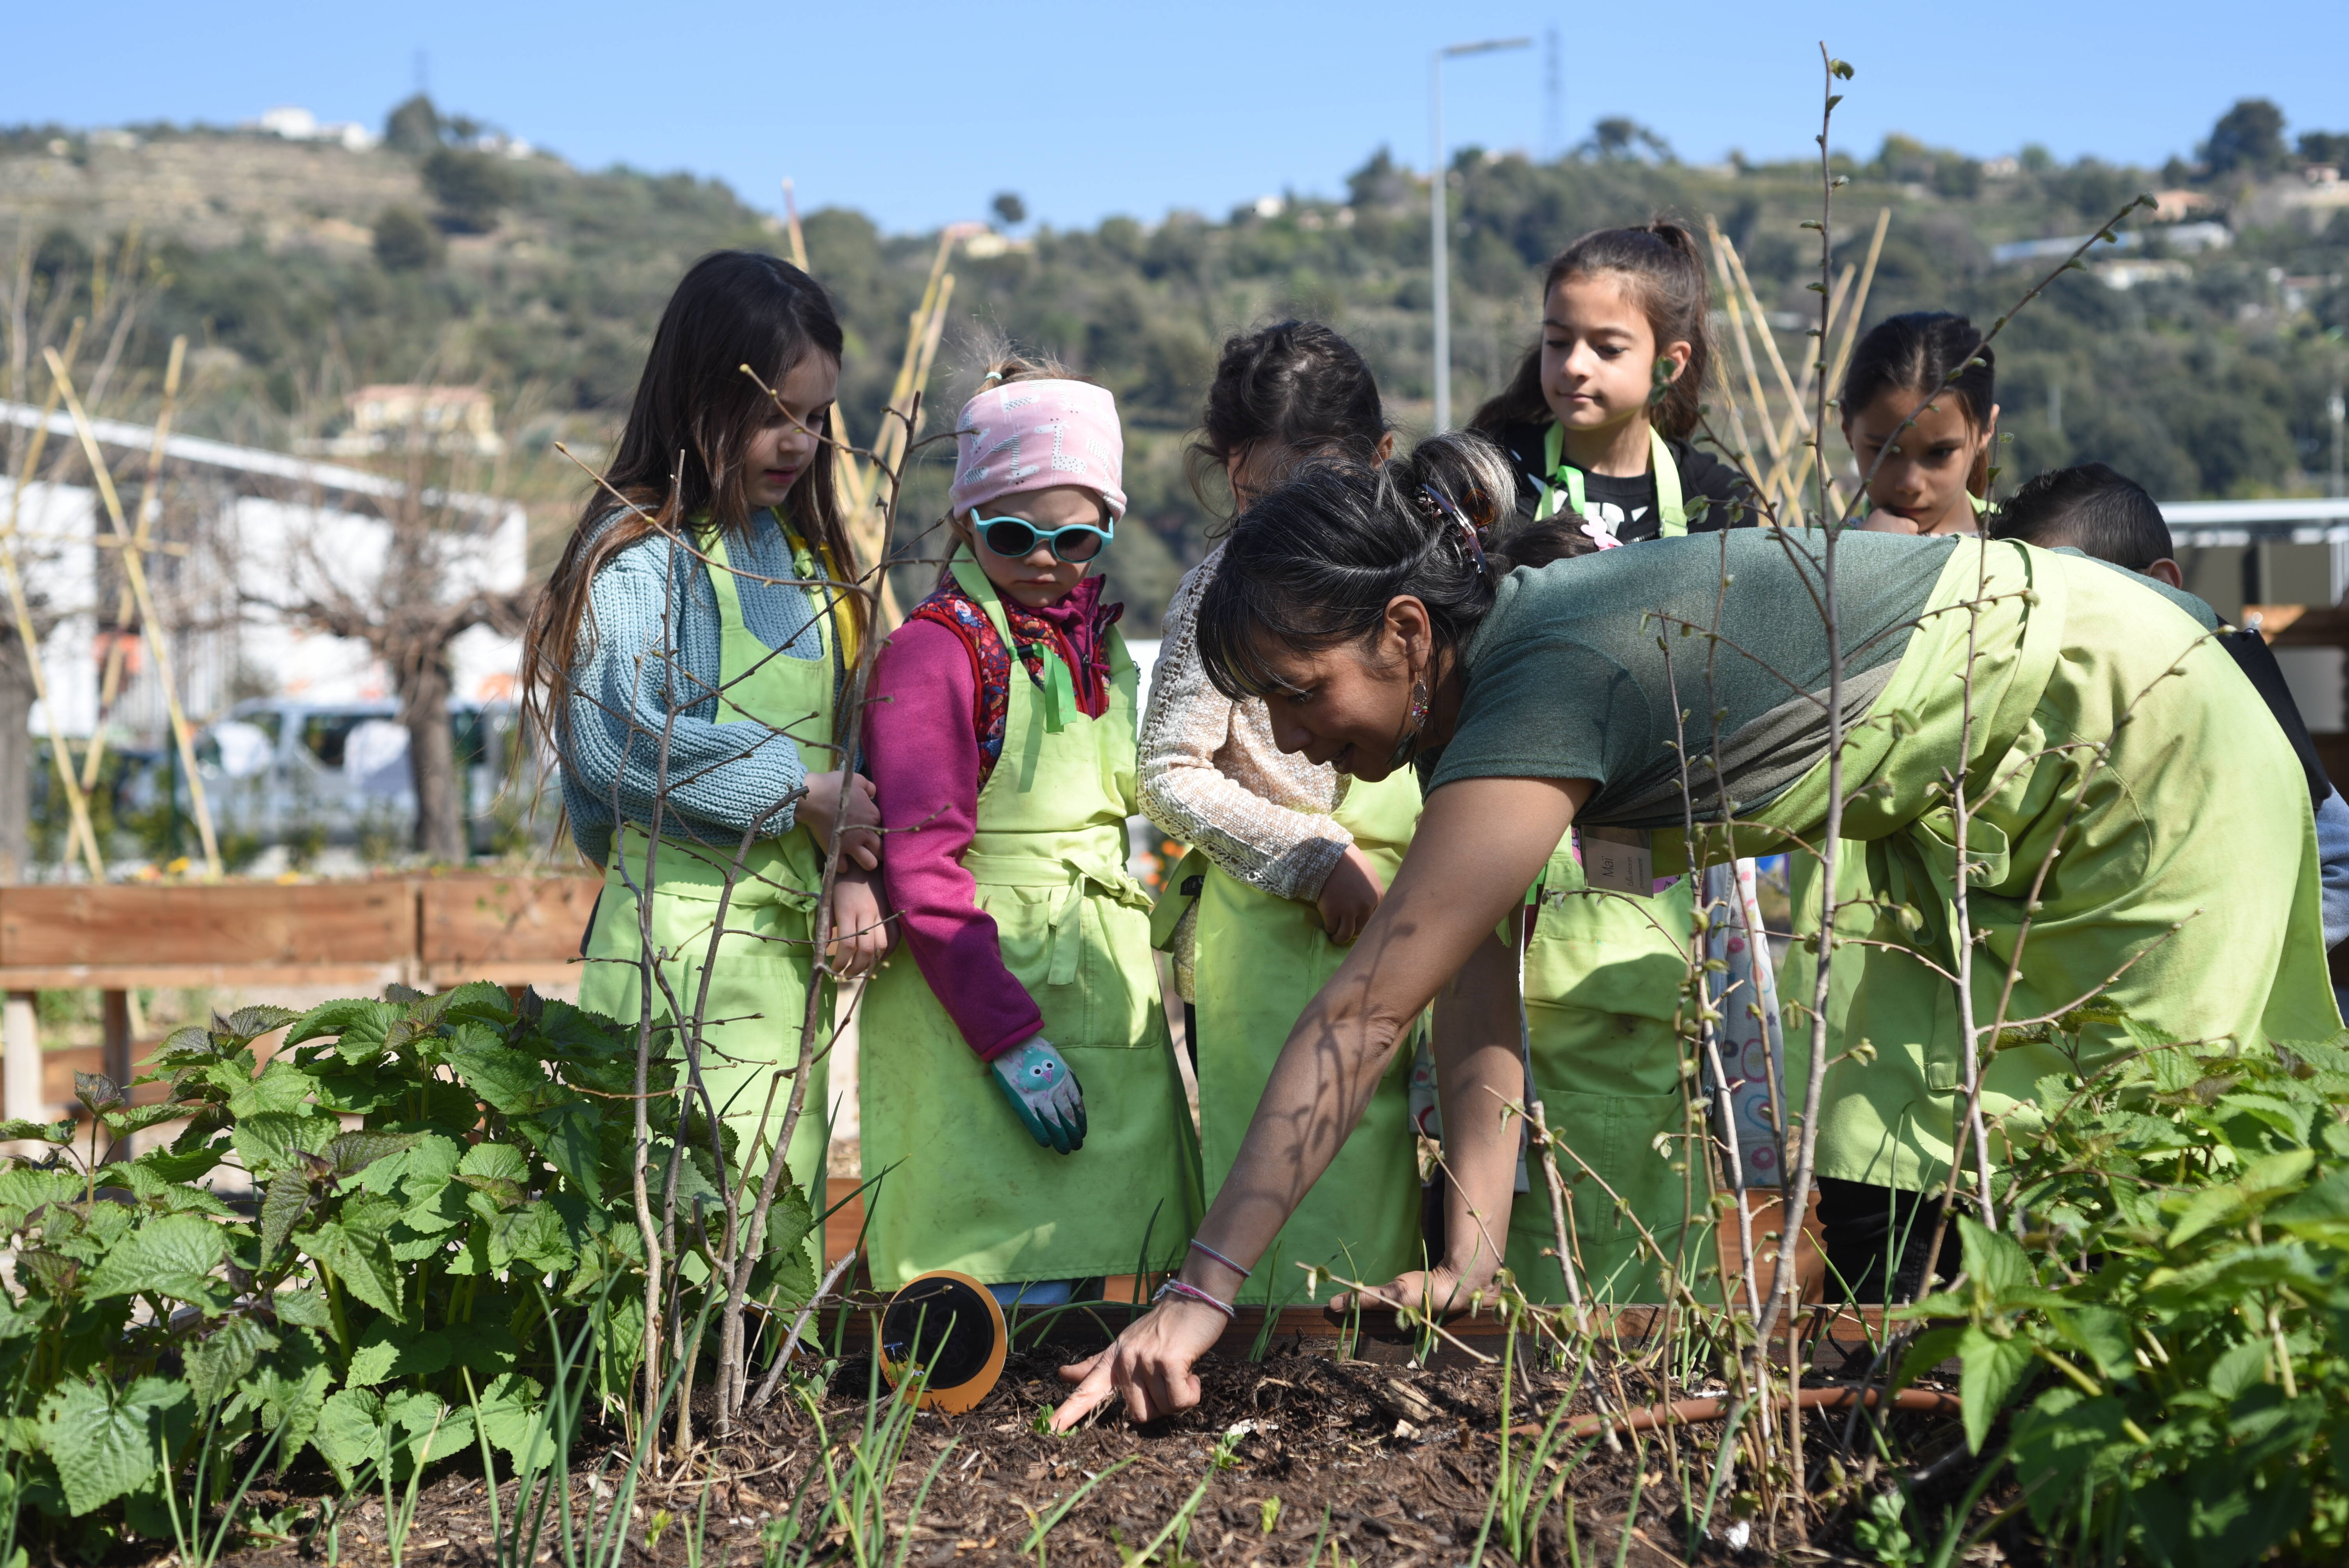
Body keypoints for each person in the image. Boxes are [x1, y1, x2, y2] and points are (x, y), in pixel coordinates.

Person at [1050, 431, 2337, 1426]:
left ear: (1401, 630)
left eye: (1297, 689)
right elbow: (1466, 981)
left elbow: (1368, 1003)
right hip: (2026, 770)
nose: (1291, 735)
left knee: (2174, 1150)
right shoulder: (1490, 707)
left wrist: (1198, 1290)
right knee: (2036, 1147)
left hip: (2137, 723)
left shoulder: (1533, 686)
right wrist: (1475, 1264)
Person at [521, 251, 888, 1246]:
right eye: (776, 416)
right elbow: (612, 740)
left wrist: (852, 863)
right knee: (660, 1238)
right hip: (675, 955)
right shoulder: (644, 554)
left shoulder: (813, 566)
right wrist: (794, 791)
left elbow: (853, 743)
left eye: (816, 419)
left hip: (784, 961)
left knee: (772, 1236)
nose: (800, 444)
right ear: (698, 395)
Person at [859, 354, 1201, 1306]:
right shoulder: (934, 652)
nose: (1046, 560)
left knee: (1091, 1254)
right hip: (980, 988)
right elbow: (922, 862)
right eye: (1014, 534)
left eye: (1077, 538)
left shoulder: (1089, 642)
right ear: (966, 517)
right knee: (991, 1267)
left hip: (1096, 967)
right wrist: (1007, 1036)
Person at [1138, 321, 1422, 1308]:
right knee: (1299, 1197)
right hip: (1270, 940)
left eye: (1311, 492)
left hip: (1412, 912)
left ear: (1379, 461)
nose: (1277, 529)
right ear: (1227, 473)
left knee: (1393, 1190)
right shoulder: (1222, 584)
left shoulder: (1409, 571)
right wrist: (1311, 851)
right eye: (1258, 500)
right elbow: (1168, 769)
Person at [1994, 461, 2349, 989]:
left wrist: (2215, 972)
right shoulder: (2039, 712)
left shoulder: (2235, 685)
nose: (2054, 638)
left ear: (2163, 587)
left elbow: (2336, 858)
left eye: (2077, 605)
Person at [1471, 220, 1756, 542]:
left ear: (1670, 363)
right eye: (1558, 342)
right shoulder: (1488, 477)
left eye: (1609, 348)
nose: (1575, 366)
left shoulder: (1720, 502)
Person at [1843, 312, 1998, 536]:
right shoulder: (1804, 557)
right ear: (1847, 429)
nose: (1911, 483)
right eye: (1884, 451)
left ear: (1986, 430)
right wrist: (1860, 559)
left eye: (1941, 453)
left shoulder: (2031, 549)